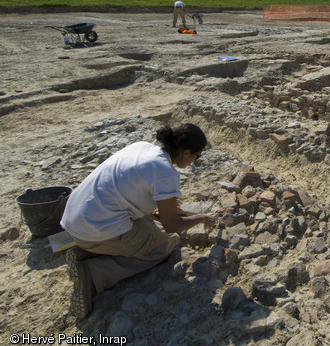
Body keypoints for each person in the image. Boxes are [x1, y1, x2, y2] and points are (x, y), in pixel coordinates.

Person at [60, 123, 216, 318]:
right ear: (186, 153)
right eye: (197, 156)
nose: (195, 160)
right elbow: (172, 226)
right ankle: (93, 274)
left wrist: (165, 211)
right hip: (94, 229)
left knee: (150, 227)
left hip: (74, 219)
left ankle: (89, 249)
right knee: (166, 244)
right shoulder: (165, 172)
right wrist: (199, 217)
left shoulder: (142, 147)